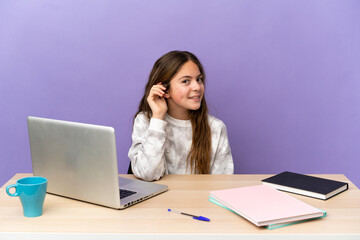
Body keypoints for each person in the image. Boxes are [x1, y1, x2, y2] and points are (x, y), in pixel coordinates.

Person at [128, 50, 234, 181]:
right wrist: (158, 118)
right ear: (164, 90)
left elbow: (222, 183)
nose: (197, 87)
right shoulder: (146, 121)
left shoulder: (216, 128)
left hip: (199, 200)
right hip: (158, 200)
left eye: (199, 79)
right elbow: (148, 174)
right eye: (186, 81)